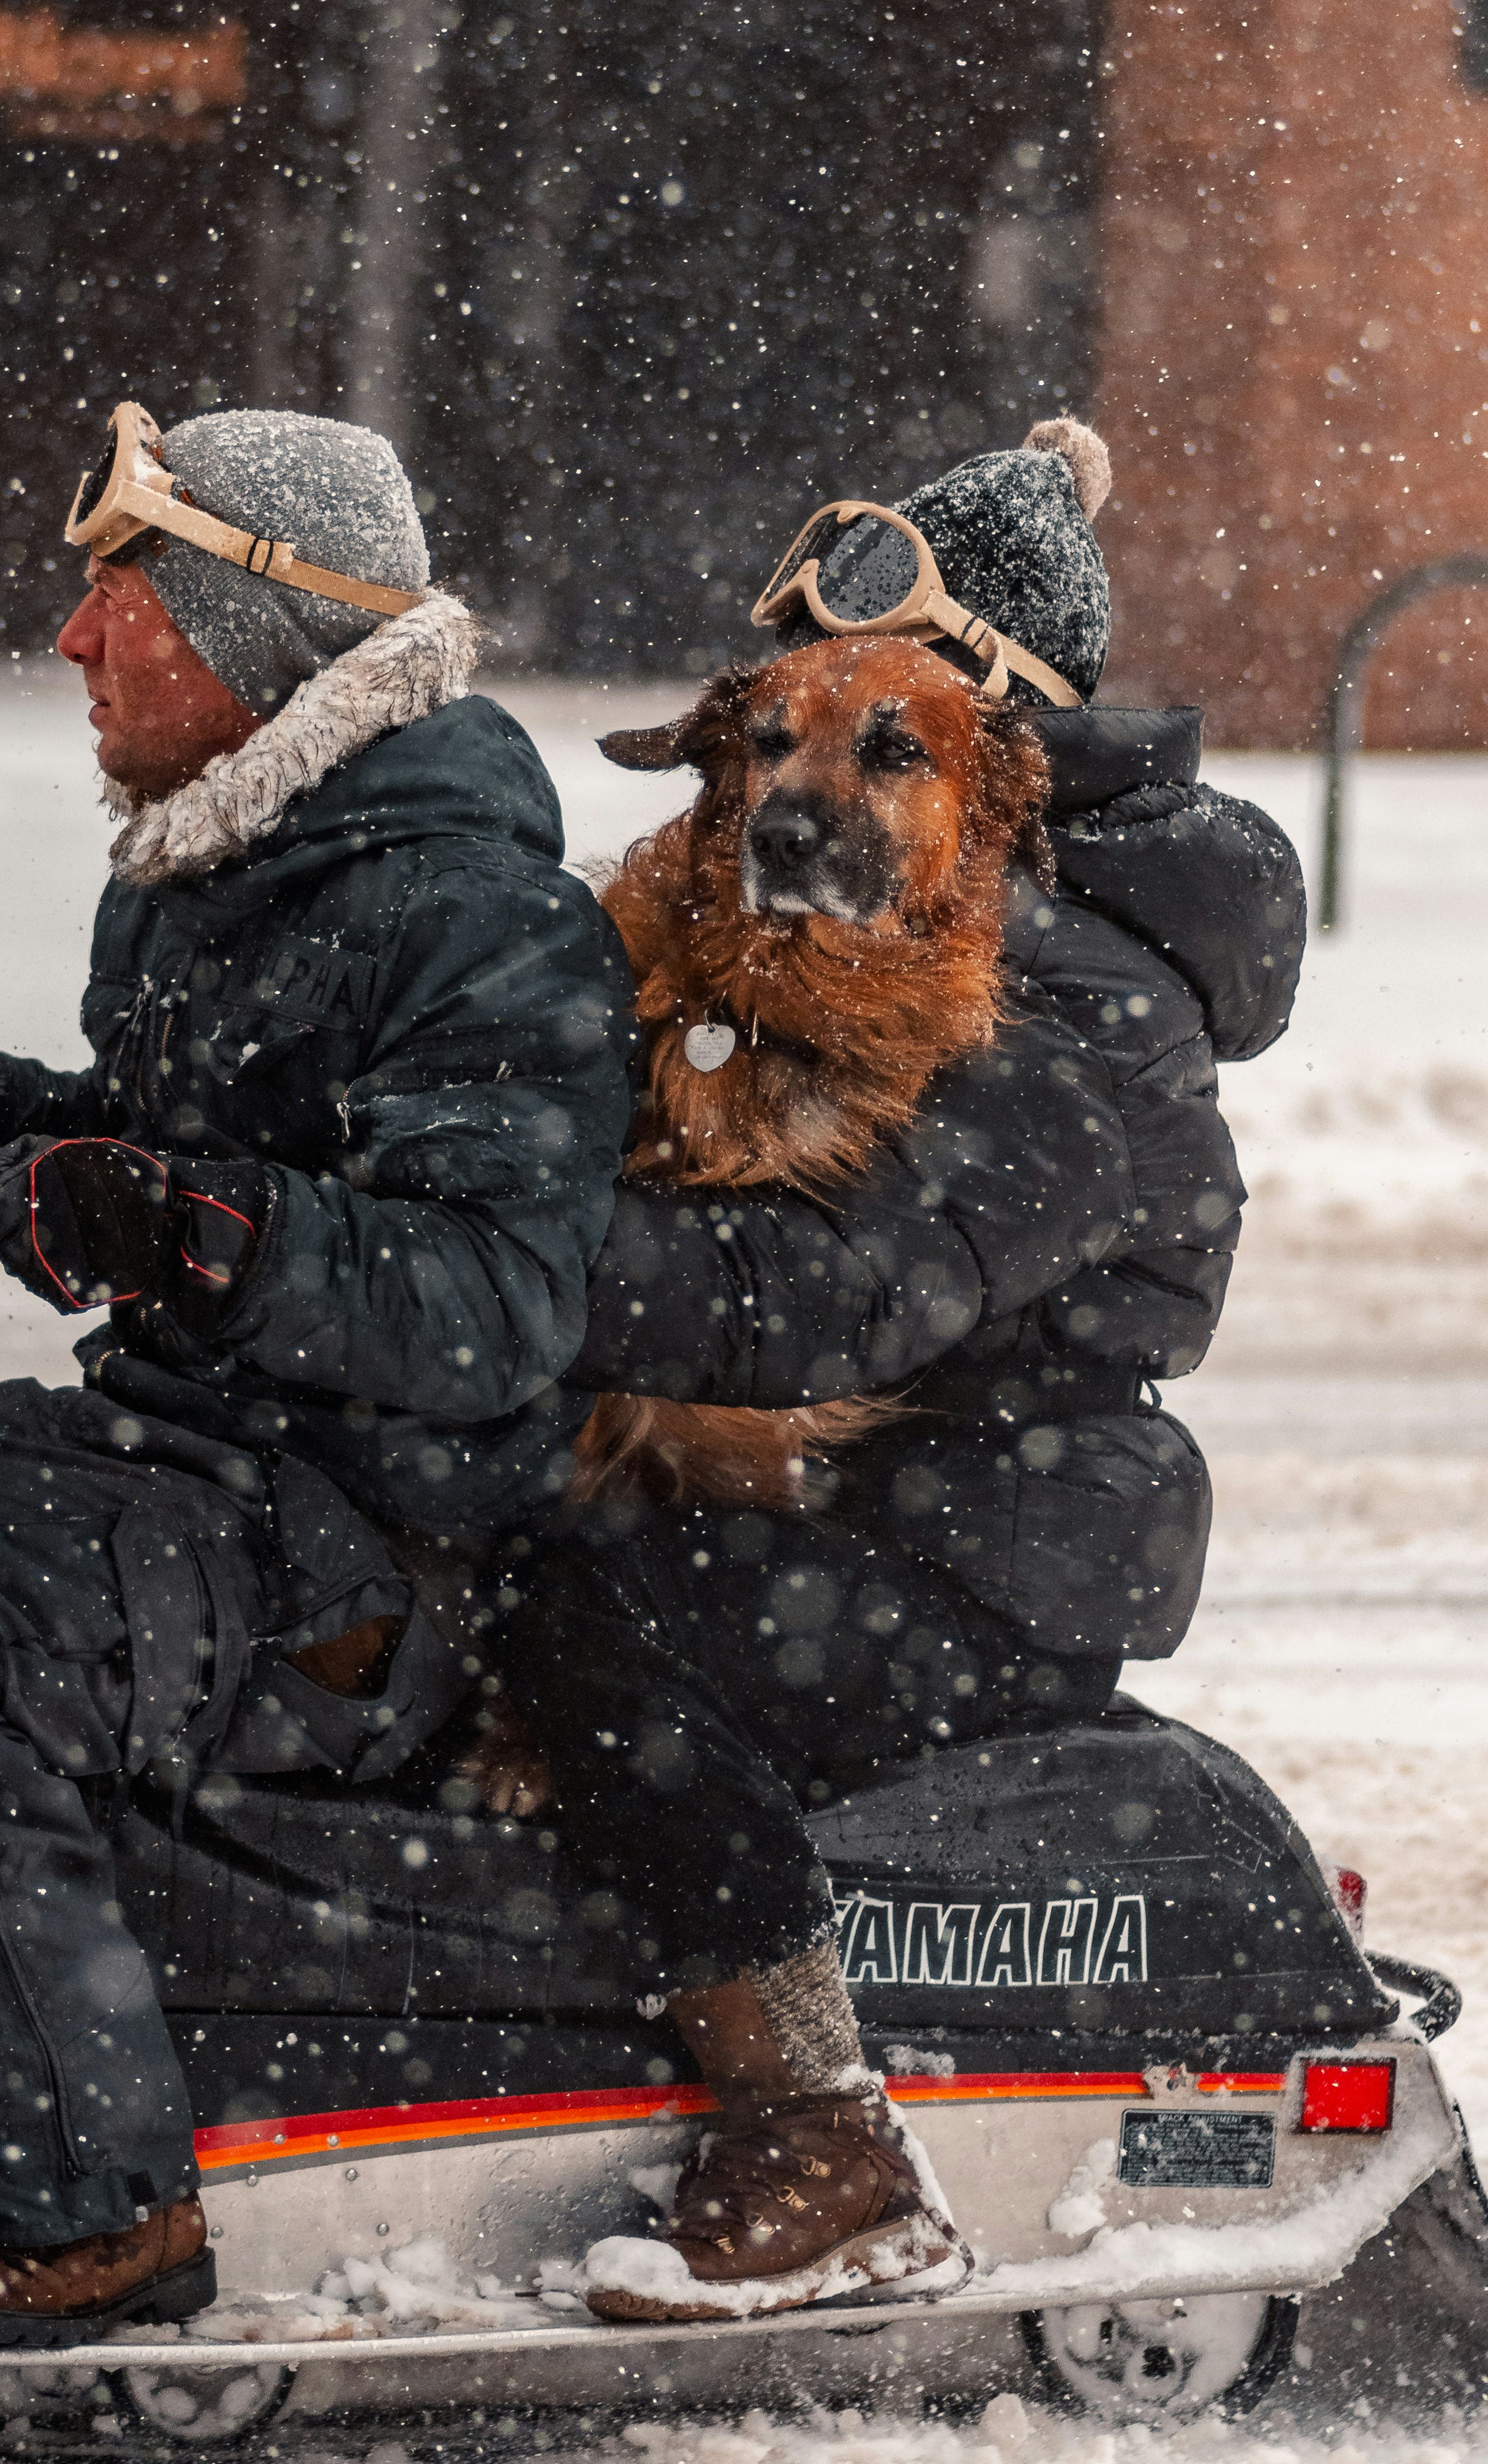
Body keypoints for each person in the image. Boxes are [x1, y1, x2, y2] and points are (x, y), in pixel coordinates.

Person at [0, 403, 636, 2346]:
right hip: (189, 1463)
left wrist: (178, 1229)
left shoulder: (472, 912)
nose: (78, 640)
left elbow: (492, 1298)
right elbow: (189, 1143)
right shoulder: (219, 866)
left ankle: (79, 2213)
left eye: (125, 594)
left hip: (362, 1554)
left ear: (260, 632)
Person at [485, 420, 1305, 2322]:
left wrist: (493, 1283)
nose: (796, 793)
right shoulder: (814, 921)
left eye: (878, 745)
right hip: (856, 1499)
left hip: (969, 1558)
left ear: (990, 740)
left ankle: (818, 2131)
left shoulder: (1075, 992)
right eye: (778, 738)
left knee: (584, 1615)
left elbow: (829, 1303)